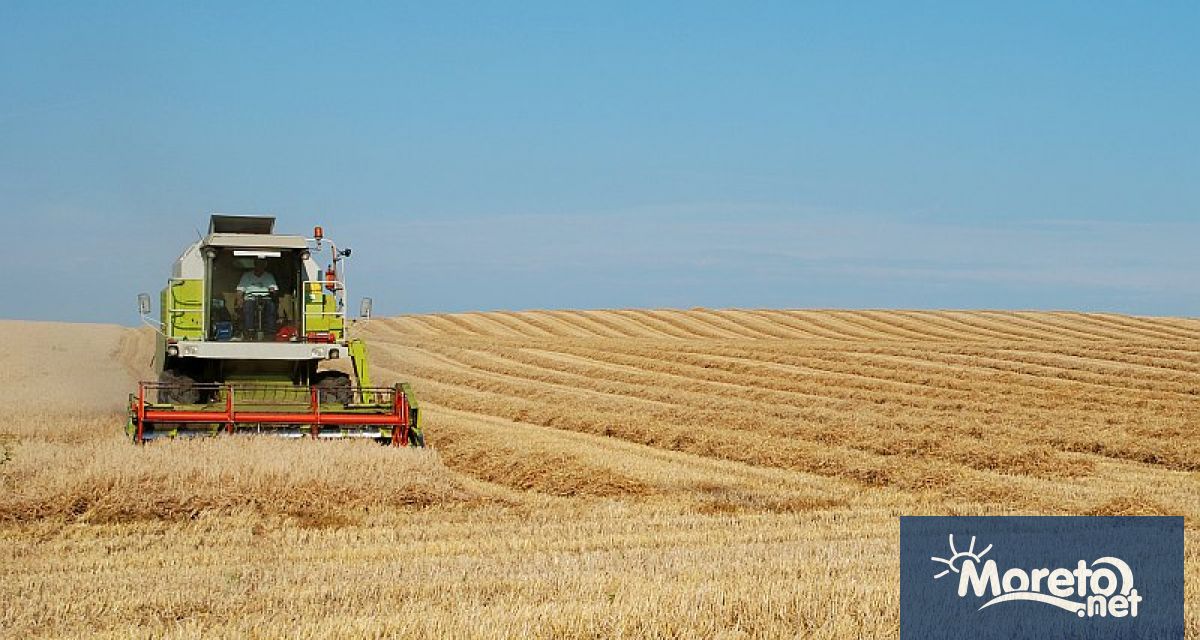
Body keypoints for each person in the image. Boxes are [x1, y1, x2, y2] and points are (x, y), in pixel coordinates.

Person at [236, 259, 278, 338]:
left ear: (264, 266)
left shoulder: (269, 276)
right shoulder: (247, 275)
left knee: (271, 306)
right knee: (248, 307)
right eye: (258, 264)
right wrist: (239, 299)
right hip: (250, 297)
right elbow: (240, 290)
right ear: (255, 265)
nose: (260, 267)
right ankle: (249, 330)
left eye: (262, 265)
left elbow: (275, 290)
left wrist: (273, 291)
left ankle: (270, 331)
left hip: (266, 297)